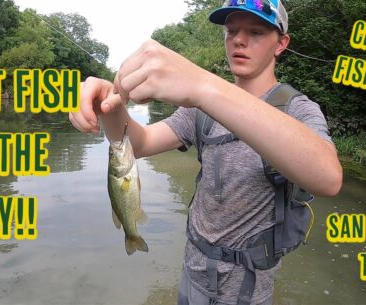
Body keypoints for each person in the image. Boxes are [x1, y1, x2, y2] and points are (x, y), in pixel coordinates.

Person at [69, 0, 343, 304]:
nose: (239, 40)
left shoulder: (298, 110)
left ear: (281, 44)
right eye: (231, 31)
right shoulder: (200, 109)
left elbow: (328, 178)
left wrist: (204, 86)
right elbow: (141, 143)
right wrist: (109, 107)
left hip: (247, 288)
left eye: (255, 32)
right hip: (193, 270)